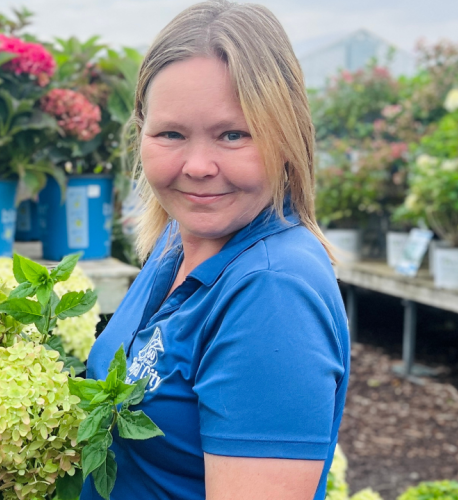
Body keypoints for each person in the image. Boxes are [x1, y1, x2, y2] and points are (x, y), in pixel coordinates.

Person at [81, 2, 350, 499]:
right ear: (140, 131)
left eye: (233, 135)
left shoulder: (272, 292)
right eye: (171, 134)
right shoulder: (178, 242)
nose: (199, 165)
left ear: (286, 136)